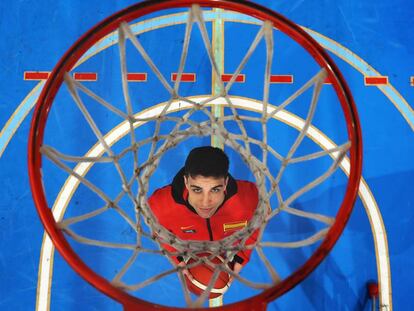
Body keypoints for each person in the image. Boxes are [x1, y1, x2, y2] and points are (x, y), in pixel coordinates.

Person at [148, 146, 259, 279]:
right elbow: (160, 233)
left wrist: (242, 256)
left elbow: (258, 223)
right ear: (186, 182)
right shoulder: (160, 206)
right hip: (191, 251)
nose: (205, 203)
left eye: (215, 190)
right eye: (197, 190)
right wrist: (177, 259)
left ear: (225, 183)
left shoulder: (251, 200)